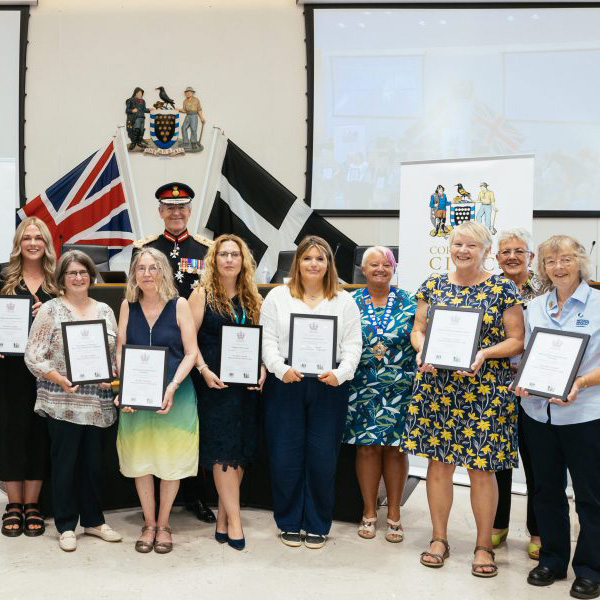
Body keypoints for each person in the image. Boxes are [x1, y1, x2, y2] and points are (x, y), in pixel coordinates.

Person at [402, 222, 524, 577]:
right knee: (438, 467)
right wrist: (422, 350)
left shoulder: (502, 288)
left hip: (484, 391)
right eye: (457, 244)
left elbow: (516, 340)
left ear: (486, 250)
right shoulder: (433, 285)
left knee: (481, 471)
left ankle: (484, 545)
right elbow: (418, 329)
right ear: (450, 247)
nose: (463, 250)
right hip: (437, 389)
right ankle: (439, 539)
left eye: (471, 245)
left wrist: (484, 353)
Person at [260, 235, 362, 549]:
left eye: (320, 258)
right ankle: (289, 521)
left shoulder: (344, 300)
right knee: (285, 456)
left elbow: (353, 345)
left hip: (328, 385)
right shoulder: (278, 297)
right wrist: (280, 369)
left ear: (329, 264)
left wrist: (341, 374)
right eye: (307, 258)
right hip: (287, 382)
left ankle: (318, 523)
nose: (314, 264)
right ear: (298, 263)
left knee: (322, 457)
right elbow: (267, 342)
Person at [516, 236, 600, 599]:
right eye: (551, 261)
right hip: (539, 412)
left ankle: (591, 569)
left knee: (590, 496)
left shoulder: (599, 304)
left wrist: (580, 382)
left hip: (584, 415)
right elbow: (526, 354)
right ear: (543, 268)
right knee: (546, 490)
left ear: (580, 262)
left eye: (566, 259)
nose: (558, 267)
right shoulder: (535, 306)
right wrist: (521, 380)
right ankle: (551, 559)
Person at [24, 250, 122, 552]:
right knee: (65, 464)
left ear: (91, 275)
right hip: (62, 401)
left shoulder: (105, 310)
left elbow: (114, 354)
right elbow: (33, 355)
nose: (78, 278)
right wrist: (58, 379)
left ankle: (93, 521)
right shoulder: (50, 310)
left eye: (83, 272)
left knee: (93, 465)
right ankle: (66, 525)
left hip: (97, 403)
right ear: (62, 278)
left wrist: (115, 377)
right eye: (72, 273)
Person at [132, 181, 215, 523]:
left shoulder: (206, 249)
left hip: (196, 346)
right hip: (156, 349)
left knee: (192, 426)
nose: (176, 212)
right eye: (170, 207)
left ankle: (195, 496)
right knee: (152, 427)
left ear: (190, 211)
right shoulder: (147, 248)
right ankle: (150, 503)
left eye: (182, 207)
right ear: (160, 212)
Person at [115, 247, 199, 554]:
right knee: (141, 461)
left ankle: (164, 524)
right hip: (137, 396)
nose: (147, 274)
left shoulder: (180, 306)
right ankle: (148, 523)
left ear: (163, 271)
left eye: (153, 268)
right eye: (141, 268)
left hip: (175, 395)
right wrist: (126, 387)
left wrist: (173, 386)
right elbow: (122, 349)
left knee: (170, 461)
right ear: (134, 274)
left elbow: (191, 352)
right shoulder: (128, 305)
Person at [189, 234, 265, 551]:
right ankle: (235, 522)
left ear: (243, 260)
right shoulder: (201, 295)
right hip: (215, 387)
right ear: (214, 260)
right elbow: (188, 342)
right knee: (222, 451)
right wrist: (204, 371)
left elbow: (263, 343)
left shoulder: (254, 299)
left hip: (246, 389)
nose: (230, 259)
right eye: (223, 255)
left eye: (235, 254)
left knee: (240, 450)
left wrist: (262, 370)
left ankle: (222, 517)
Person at [343, 246, 415, 543]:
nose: (380, 269)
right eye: (373, 265)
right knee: (367, 448)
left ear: (393, 268)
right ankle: (369, 512)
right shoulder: (349, 302)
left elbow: (422, 336)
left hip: (399, 387)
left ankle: (395, 513)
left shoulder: (409, 302)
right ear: (363, 269)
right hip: (362, 386)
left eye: (386, 265)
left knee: (396, 449)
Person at [0, 218, 57, 538]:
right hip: (9, 370)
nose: (33, 243)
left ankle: (33, 504)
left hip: (47, 370)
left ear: (46, 244)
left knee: (39, 433)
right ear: (19, 243)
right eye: (27, 238)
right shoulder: (2, 276)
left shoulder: (56, 282)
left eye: (38, 238)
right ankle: (14, 504)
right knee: (11, 432)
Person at [492, 228, 542, 558]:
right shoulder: (490, 288)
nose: (512, 256)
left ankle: (538, 532)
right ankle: (498, 525)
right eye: (506, 251)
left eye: (519, 251)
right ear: (497, 258)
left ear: (530, 257)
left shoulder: (547, 289)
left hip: (537, 387)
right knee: (498, 458)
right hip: (496, 384)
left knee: (538, 461)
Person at [178, 86, 205, 151]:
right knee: (183, 128)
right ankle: (186, 142)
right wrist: (179, 110)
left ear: (192, 93)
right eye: (187, 92)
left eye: (190, 92)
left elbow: (199, 109)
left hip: (194, 116)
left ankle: (193, 143)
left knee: (193, 129)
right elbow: (184, 110)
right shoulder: (185, 101)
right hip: (188, 116)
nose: (188, 93)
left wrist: (201, 118)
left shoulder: (196, 100)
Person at [125, 87, 150, 151]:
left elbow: (144, 109)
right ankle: (133, 143)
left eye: (141, 93)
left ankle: (139, 143)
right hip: (136, 118)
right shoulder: (131, 100)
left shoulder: (143, 101)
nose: (140, 94)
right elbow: (127, 110)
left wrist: (150, 110)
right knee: (136, 130)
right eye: (139, 93)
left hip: (142, 118)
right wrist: (132, 110)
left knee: (141, 131)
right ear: (136, 93)